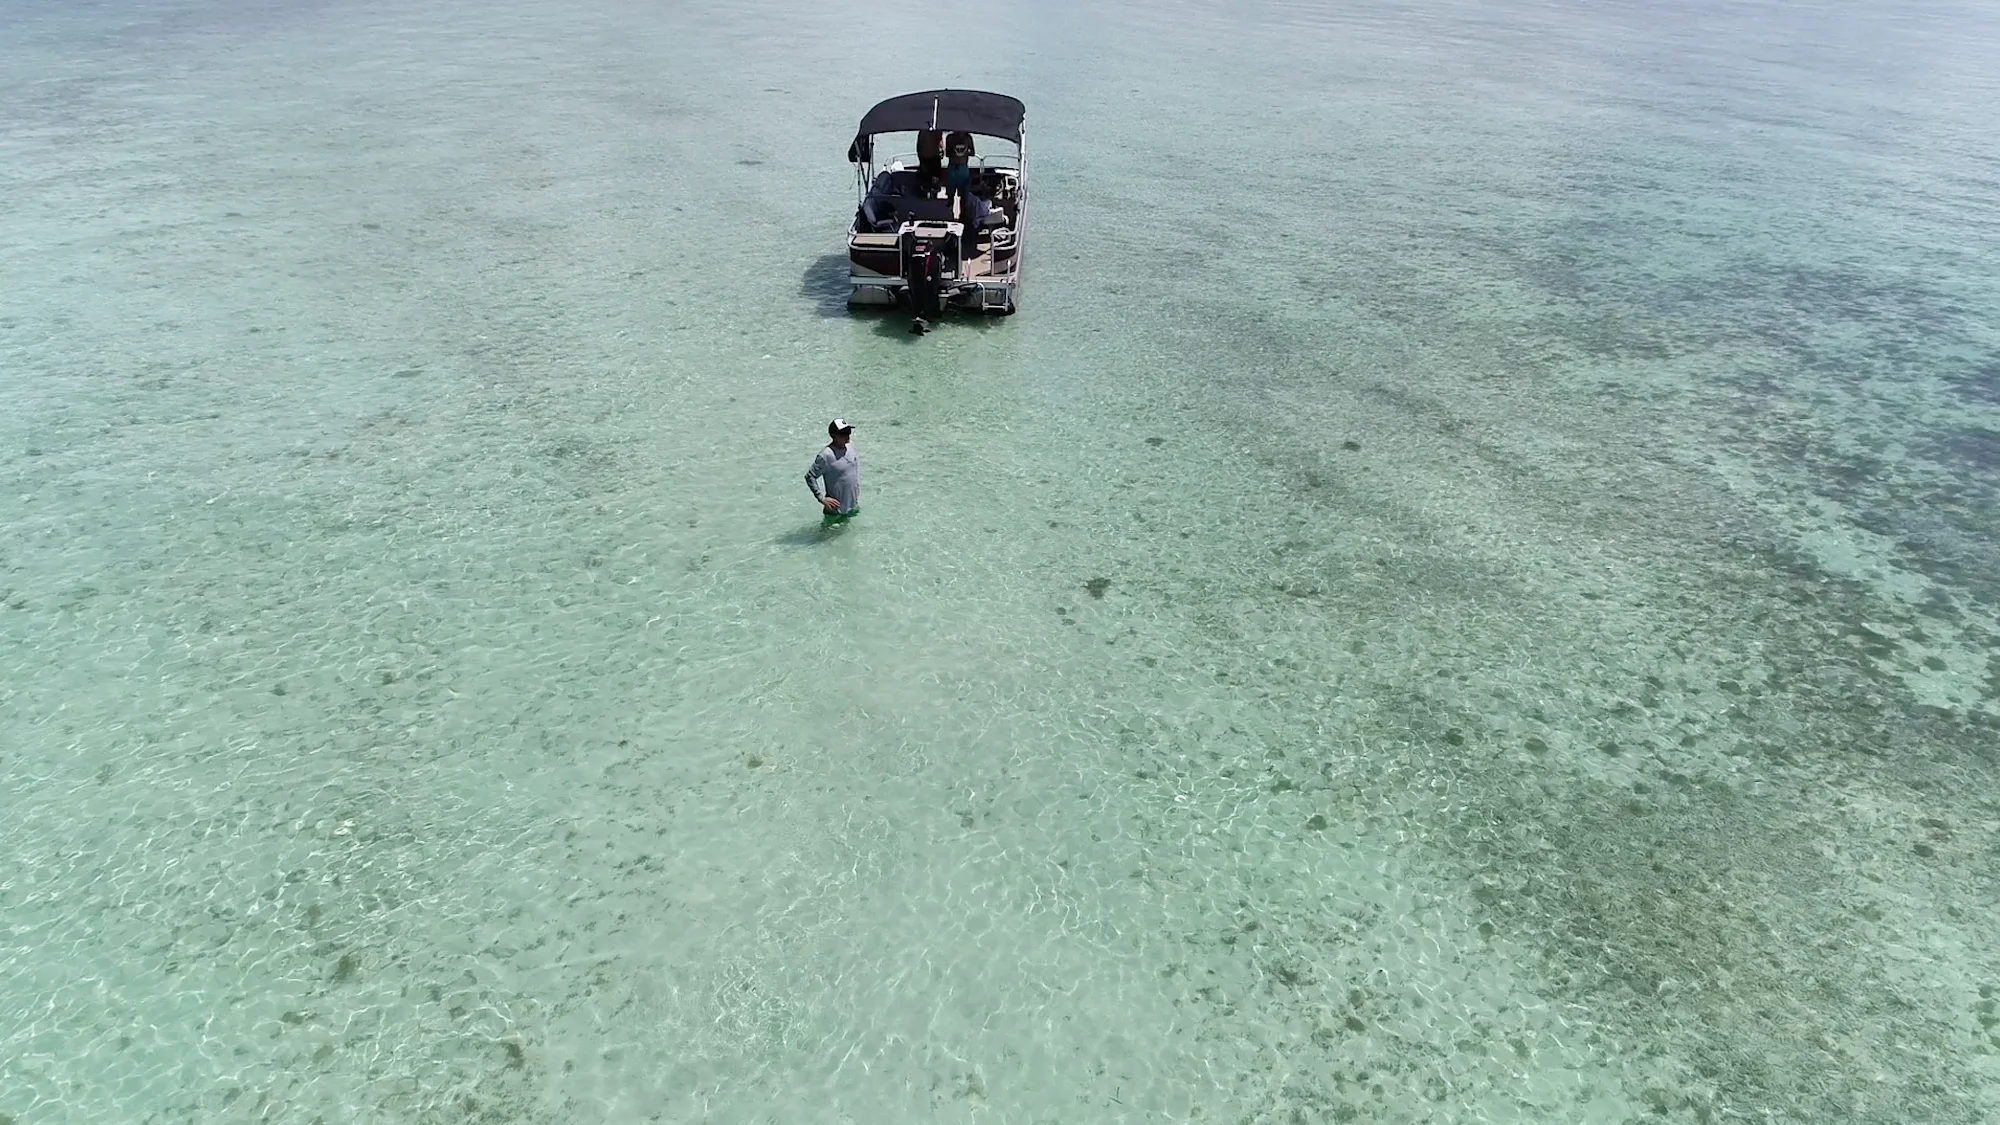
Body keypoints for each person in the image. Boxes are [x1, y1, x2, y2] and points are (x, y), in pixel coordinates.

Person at [805, 418, 860, 522]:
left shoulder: (851, 446)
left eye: (848, 432)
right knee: (828, 538)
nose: (847, 436)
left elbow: (853, 468)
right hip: (835, 511)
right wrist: (821, 498)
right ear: (833, 435)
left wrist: (856, 487)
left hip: (852, 505)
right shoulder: (825, 456)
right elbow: (810, 476)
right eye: (843, 433)